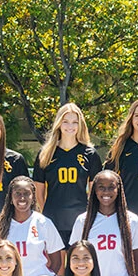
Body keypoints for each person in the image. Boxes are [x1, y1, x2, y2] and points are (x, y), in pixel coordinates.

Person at [33, 103, 103, 249]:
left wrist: (88, 217)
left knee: (78, 264)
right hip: (53, 219)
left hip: (80, 219)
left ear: (80, 125)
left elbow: (94, 192)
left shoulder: (89, 154)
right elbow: (38, 192)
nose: (70, 126)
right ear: (59, 123)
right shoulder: (46, 153)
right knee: (56, 267)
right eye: (65, 121)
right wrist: (48, 214)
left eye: (74, 122)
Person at [0, 176, 61, 276]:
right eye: (18, 193)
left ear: (33, 197)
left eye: (26, 193)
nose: (22, 197)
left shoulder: (43, 222)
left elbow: (56, 261)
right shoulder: (0, 225)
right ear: (10, 198)